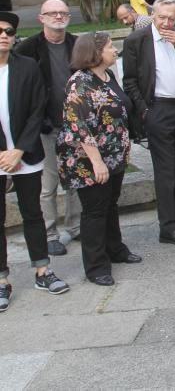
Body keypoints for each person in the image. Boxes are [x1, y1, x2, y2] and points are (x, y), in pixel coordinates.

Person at [58, 32, 142, 286]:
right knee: (94, 211)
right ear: (94, 53)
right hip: (89, 161)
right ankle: (96, 266)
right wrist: (96, 162)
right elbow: (79, 126)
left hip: (114, 155)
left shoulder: (107, 76)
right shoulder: (79, 83)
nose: (114, 50)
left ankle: (115, 248)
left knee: (111, 203)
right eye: (109, 47)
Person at [0, 10, 70, 310]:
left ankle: (43, 269)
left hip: (26, 154)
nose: (4, 35)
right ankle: (2, 280)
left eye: (9, 32)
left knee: (33, 213)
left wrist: (19, 150)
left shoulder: (26, 67)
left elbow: (37, 108)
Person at [122, 0, 175, 245]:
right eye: (161, 18)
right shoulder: (137, 40)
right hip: (157, 109)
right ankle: (167, 226)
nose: (166, 23)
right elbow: (130, 80)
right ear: (152, 15)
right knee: (166, 170)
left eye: (171, 18)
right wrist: (145, 110)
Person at [14, 0, 79, 256]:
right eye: (52, 13)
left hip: (75, 126)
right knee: (48, 184)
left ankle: (75, 226)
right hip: (45, 126)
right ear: (41, 18)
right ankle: (50, 233)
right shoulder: (28, 49)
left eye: (63, 12)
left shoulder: (76, 44)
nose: (58, 16)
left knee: (75, 180)